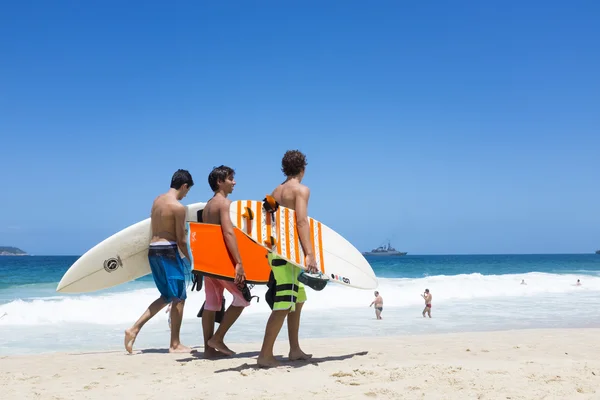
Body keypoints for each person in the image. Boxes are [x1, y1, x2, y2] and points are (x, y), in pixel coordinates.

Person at [257, 150, 317, 368]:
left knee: (298, 299)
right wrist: (309, 253)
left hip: (277, 252)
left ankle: (294, 349)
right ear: (303, 168)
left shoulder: (274, 192)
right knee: (282, 304)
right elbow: (301, 221)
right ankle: (264, 355)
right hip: (289, 255)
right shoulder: (301, 190)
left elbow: (267, 223)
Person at [124, 169, 194, 354]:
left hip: (153, 251)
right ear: (184, 186)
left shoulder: (157, 200)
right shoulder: (178, 208)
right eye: (187, 191)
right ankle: (175, 344)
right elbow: (181, 240)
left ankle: (134, 329)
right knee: (179, 298)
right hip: (168, 251)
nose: (186, 194)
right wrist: (192, 262)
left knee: (167, 296)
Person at [200, 165, 251, 358]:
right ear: (219, 181)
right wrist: (239, 262)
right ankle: (218, 338)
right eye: (230, 178)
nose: (234, 182)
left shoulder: (207, 206)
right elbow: (228, 232)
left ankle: (208, 349)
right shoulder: (224, 204)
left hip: (208, 262)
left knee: (212, 304)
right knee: (242, 298)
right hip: (222, 262)